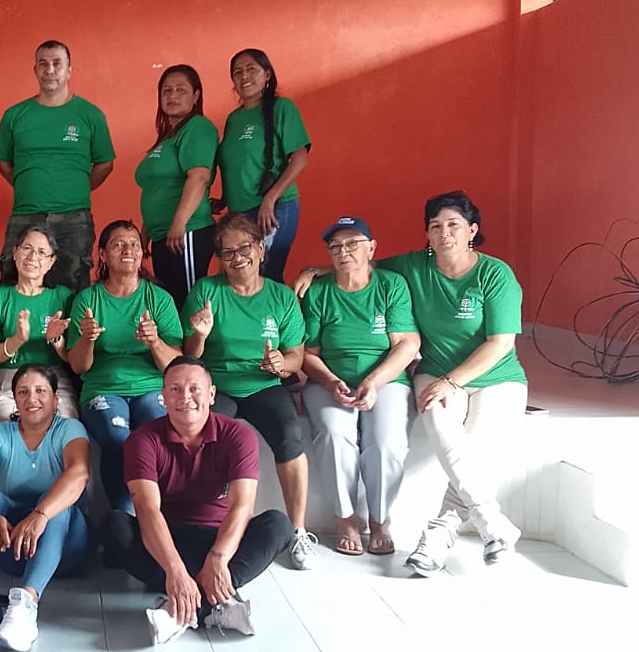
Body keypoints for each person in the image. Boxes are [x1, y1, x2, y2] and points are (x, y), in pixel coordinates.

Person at [297, 192, 528, 574]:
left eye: (453, 225)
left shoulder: (494, 274)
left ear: (472, 230)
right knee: (447, 439)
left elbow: (500, 343)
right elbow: (359, 265)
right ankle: (484, 528)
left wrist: (451, 381)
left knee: (465, 454)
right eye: (435, 226)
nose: (444, 233)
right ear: (427, 234)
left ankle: (447, 533)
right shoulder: (415, 266)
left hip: (495, 379)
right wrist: (316, 270)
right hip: (435, 372)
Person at [100, 357, 294, 644]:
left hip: (221, 541)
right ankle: (215, 605)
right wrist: (175, 571)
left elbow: (242, 506)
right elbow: (147, 509)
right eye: (175, 390)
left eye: (195, 389)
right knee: (114, 524)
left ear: (212, 394)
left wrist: (218, 558)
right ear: (163, 397)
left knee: (278, 525)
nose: (185, 397)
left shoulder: (237, 435)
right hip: (167, 543)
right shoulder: (142, 440)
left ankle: (180, 610)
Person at [182, 213, 318, 570]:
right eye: (227, 253)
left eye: (244, 248)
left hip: (264, 385)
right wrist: (200, 335)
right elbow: (189, 355)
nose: (237, 258)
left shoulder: (281, 296)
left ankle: (299, 531)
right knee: (203, 439)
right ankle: (209, 527)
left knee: (289, 436)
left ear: (260, 250)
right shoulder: (206, 292)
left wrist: (281, 363)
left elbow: (296, 355)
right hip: (218, 386)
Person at [300, 217, 420, 556]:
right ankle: (346, 518)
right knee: (333, 434)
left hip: (387, 380)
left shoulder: (391, 285)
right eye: (335, 246)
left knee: (385, 442)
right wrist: (332, 382)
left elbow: (407, 343)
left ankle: (380, 519)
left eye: (353, 244)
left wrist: (373, 382)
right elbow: (308, 354)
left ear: (372, 248)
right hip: (329, 381)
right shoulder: (319, 292)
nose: (344, 252)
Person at [0, 366, 91, 651]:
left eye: (41, 391)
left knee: (54, 503)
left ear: (55, 397)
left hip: (66, 546)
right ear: (15, 399)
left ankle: (26, 605)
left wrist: (40, 514)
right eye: (23, 392)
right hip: (14, 547)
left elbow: (79, 473)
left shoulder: (69, 429)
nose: (32, 399)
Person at [68, 220, 182, 513]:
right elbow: (79, 366)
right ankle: (127, 517)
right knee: (118, 440)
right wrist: (87, 339)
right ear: (103, 255)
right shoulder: (87, 300)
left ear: (142, 253)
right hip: (103, 389)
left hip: (151, 387)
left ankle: (158, 516)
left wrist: (155, 342)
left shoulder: (159, 299)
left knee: (157, 436)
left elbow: (175, 365)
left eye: (134, 244)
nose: (127, 250)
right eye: (118, 245)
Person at [0, 40, 116, 290]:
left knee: (73, 287)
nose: (50, 70)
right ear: (35, 70)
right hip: (25, 214)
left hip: (74, 218)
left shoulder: (90, 115)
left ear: (69, 70)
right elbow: (4, 163)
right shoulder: (14, 115)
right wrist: (28, 183)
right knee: (14, 283)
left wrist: (77, 187)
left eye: (57, 64)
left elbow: (105, 164)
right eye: (43, 64)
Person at [215, 49, 311, 283]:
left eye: (251, 69)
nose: (244, 76)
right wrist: (224, 200)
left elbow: (300, 159)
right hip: (239, 212)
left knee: (263, 275)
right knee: (240, 278)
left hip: (273, 208)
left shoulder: (283, 107)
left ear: (267, 75)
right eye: (238, 72)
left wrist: (270, 200)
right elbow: (235, 163)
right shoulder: (234, 119)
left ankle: (280, 309)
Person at [135, 65, 219, 308]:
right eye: (167, 91)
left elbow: (199, 177)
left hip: (186, 233)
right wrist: (145, 231)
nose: (172, 96)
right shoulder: (168, 137)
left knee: (189, 305)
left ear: (196, 96)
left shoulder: (197, 127)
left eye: (181, 90)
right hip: (163, 234)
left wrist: (180, 223)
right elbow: (158, 188)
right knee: (171, 304)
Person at [0, 225, 77, 424]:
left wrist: (56, 340)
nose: (33, 256)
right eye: (27, 248)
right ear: (15, 253)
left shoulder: (63, 297)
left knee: (66, 425)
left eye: (42, 252)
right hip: (8, 380)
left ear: (51, 261)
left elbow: (74, 359)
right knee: (8, 424)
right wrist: (17, 340)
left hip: (53, 378)